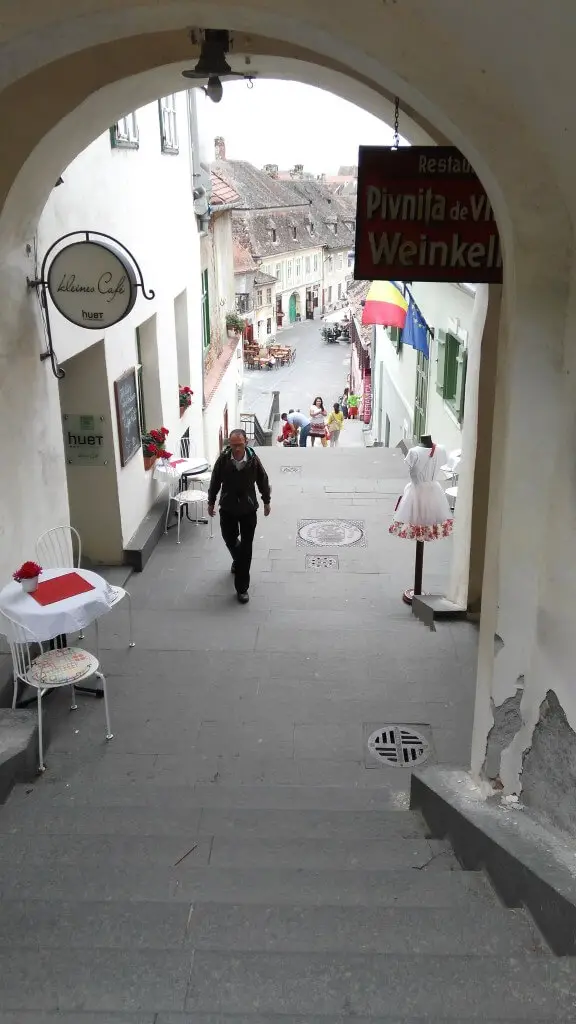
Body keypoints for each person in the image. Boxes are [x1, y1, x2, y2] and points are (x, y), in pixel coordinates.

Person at [207, 429, 271, 604]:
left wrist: (266, 501)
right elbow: (215, 480)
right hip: (227, 507)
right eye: (233, 445)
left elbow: (263, 480)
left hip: (248, 509)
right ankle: (238, 559)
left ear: (246, 442)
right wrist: (211, 501)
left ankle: (242, 588)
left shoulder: (253, 460)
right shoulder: (223, 460)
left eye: (239, 445)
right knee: (229, 538)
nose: (236, 449)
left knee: (247, 547)